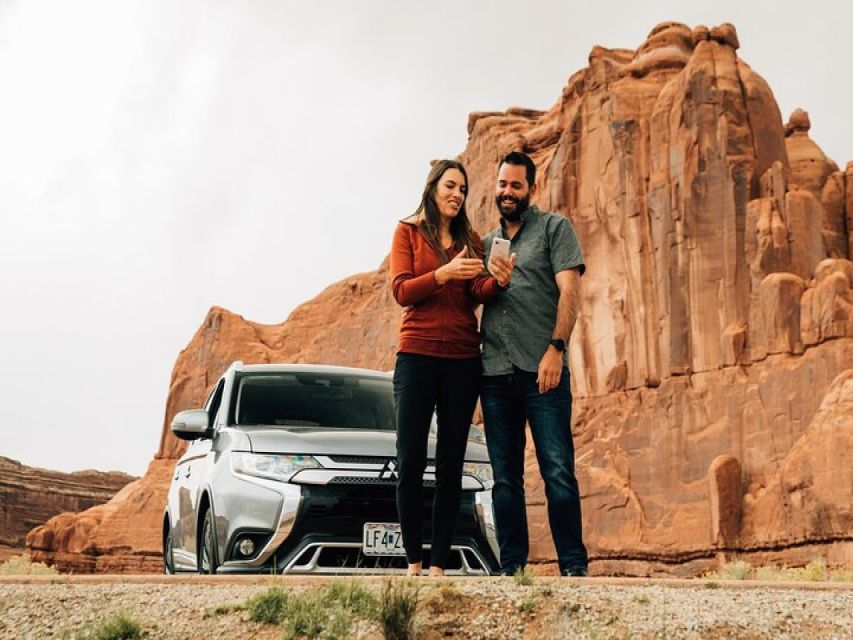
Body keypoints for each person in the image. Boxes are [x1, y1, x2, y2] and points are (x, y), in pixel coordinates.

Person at [390, 159, 513, 577]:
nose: (457, 195)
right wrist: (443, 273)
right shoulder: (407, 232)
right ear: (433, 188)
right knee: (409, 461)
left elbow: (478, 290)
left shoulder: (472, 239)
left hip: (462, 361)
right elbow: (402, 291)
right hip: (417, 356)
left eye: (462, 189)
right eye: (450, 186)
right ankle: (412, 562)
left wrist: (498, 280)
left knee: (450, 464)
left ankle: (439, 564)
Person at [480, 151, 589, 577]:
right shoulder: (487, 243)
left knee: (557, 471)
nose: (507, 193)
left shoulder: (554, 229)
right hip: (493, 374)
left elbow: (570, 292)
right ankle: (512, 570)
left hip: (542, 371)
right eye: (502, 185)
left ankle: (573, 569)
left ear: (532, 189)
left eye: (516, 186)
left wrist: (556, 348)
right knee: (505, 480)